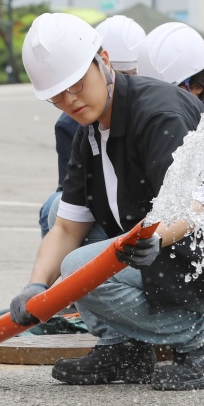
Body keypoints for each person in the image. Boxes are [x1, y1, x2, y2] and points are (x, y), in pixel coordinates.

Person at [10, 12, 204, 391]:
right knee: (59, 219)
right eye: (56, 95)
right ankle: (124, 347)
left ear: (104, 61)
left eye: (77, 84)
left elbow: (195, 208)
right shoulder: (90, 129)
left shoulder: (157, 113)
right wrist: (36, 287)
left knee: (80, 268)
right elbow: (67, 226)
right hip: (161, 246)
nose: (69, 100)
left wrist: (156, 237)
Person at [38, 15, 146, 238]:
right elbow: (72, 199)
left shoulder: (157, 112)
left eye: (130, 76)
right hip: (109, 217)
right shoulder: (74, 123)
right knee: (55, 207)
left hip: (155, 230)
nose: (120, 85)